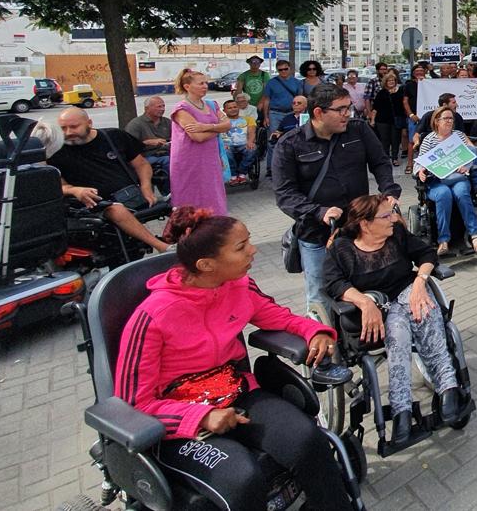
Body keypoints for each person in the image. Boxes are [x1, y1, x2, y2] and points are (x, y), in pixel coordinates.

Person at [114, 207, 350, 511]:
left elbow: (278, 317)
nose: (253, 250)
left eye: (249, 241)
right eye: (241, 247)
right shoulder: (151, 317)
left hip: (238, 394)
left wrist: (316, 331)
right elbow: (134, 404)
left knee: (308, 439)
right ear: (207, 264)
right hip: (177, 422)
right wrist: (199, 417)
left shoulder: (238, 286)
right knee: (243, 478)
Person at [323, 195, 462, 444]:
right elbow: (334, 284)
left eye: (392, 213)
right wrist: (364, 302)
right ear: (365, 224)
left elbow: (427, 253)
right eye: (386, 215)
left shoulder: (396, 233)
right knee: (397, 331)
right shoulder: (342, 248)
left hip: (407, 291)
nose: (394, 218)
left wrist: (420, 282)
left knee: (425, 308)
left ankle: (446, 386)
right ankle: (403, 408)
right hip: (378, 303)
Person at [273, 83, 400, 314]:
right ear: (319, 113)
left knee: (364, 287)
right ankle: (325, 342)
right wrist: (319, 212)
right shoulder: (290, 144)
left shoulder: (359, 130)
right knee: (320, 293)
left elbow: (380, 162)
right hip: (317, 235)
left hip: (359, 230)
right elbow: (285, 194)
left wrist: (389, 192)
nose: (347, 114)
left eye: (349, 108)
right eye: (340, 109)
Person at [48, 108, 170, 253]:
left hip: (130, 195)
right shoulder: (55, 150)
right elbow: (58, 186)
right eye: (63, 128)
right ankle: (161, 246)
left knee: (178, 204)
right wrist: (75, 190)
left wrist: (146, 186)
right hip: (94, 203)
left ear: (89, 123)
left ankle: (184, 244)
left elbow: (142, 165)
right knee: (115, 209)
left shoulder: (113, 136)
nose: (68, 133)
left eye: (74, 127)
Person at [415, 108, 477, 255]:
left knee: (462, 192)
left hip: (458, 177)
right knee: (443, 194)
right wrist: (420, 171)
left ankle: (475, 235)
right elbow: (420, 162)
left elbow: (474, 153)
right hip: (437, 181)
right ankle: (443, 240)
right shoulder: (429, 139)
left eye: (451, 118)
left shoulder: (458, 136)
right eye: (445, 118)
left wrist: (465, 164)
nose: (449, 121)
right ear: (436, 121)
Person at [170, 69, 230, 214]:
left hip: (210, 158)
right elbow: (197, 137)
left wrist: (207, 127)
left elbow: (228, 124)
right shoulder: (181, 109)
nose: (205, 86)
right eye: (201, 83)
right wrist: (218, 129)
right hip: (190, 160)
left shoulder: (212, 104)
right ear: (187, 86)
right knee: (191, 198)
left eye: (206, 83)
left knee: (213, 193)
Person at [262, 61, 303, 174]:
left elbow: (300, 99)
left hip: (291, 113)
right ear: (277, 70)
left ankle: (292, 166)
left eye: (285, 69)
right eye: (280, 70)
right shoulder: (271, 83)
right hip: (275, 113)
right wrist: (266, 117)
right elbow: (267, 100)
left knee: (295, 140)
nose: (283, 71)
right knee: (273, 140)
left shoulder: (296, 82)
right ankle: (271, 168)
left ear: (290, 68)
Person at [125, 95, 171, 167]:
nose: (162, 109)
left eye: (163, 106)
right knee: (170, 161)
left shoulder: (167, 122)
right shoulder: (135, 124)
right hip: (146, 155)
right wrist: (147, 142)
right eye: (159, 107)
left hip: (167, 153)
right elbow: (128, 147)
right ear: (147, 109)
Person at [370, 72, 405, 165]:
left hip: (396, 120)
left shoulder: (400, 91)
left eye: (393, 80)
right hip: (382, 120)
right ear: (385, 82)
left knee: (395, 140)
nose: (391, 82)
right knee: (384, 140)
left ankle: (394, 158)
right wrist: (372, 120)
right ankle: (385, 158)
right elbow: (375, 108)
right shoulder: (381, 93)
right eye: (389, 80)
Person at [221, 99, 258, 184]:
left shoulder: (248, 119)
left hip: (243, 144)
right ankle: (233, 175)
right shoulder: (221, 122)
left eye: (235, 107)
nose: (233, 109)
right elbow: (219, 135)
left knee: (252, 149)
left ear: (238, 108)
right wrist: (223, 144)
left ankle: (242, 173)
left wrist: (250, 141)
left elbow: (252, 132)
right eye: (230, 108)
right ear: (224, 110)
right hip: (228, 145)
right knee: (225, 152)